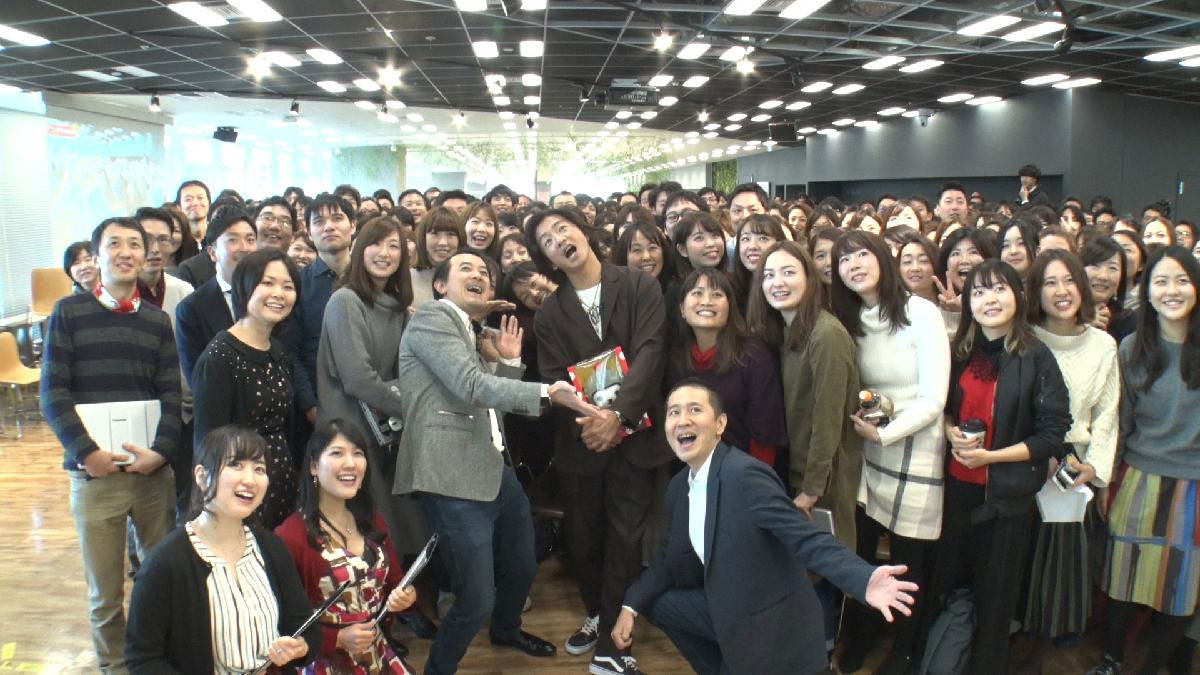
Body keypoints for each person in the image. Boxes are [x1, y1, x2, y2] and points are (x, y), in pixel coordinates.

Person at [612, 381, 919, 675]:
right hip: (725, 608)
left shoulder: (745, 475)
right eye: (674, 412)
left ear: (720, 424)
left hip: (776, 632)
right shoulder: (679, 488)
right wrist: (630, 606)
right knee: (655, 601)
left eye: (695, 410)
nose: (682, 420)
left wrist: (863, 579)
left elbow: (807, 538)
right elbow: (666, 559)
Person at [392, 250, 592, 675]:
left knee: (522, 566)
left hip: (496, 471)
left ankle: (506, 629)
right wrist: (546, 392)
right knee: (476, 597)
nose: (479, 274)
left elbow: (493, 402)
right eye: (466, 268)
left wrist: (510, 361)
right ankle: (439, 668)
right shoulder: (434, 318)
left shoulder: (471, 331)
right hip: (451, 477)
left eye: (485, 271)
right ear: (441, 286)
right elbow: (470, 386)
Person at [528, 208, 671, 675]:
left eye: (561, 228)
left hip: (636, 438)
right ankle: (599, 613)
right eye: (547, 240)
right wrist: (596, 419)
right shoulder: (549, 313)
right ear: (548, 260)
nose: (558, 239)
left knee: (625, 540)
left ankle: (613, 644)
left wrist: (619, 414)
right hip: (583, 441)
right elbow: (554, 378)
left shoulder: (637, 285)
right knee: (585, 540)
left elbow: (651, 352)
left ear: (584, 231)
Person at [41, 216, 181, 673]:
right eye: (114, 244)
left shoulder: (157, 320)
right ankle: (115, 667)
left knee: (157, 583)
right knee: (105, 594)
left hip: (151, 476)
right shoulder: (68, 313)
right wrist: (88, 453)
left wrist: (160, 451)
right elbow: (53, 394)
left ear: (146, 256)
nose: (126, 252)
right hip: (95, 476)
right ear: (95, 256)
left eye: (135, 244)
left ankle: (151, 660)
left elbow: (171, 395)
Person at [933, 259, 1070, 675]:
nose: (989, 299)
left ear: (1018, 296)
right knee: (949, 585)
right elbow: (942, 408)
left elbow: (1053, 434)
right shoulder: (961, 350)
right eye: (978, 292)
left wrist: (992, 457)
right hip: (957, 490)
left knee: (996, 599)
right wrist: (951, 429)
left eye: (999, 290)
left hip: (1007, 499)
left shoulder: (1036, 355)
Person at [829, 231, 950, 674]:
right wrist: (872, 431)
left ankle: (905, 649)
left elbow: (934, 398)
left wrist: (886, 434)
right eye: (844, 260)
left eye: (863, 254)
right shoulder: (850, 319)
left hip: (915, 446)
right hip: (868, 447)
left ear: (883, 257)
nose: (855, 264)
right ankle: (860, 634)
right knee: (861, 552)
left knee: (907, 559)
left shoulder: (921, 312)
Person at [126, 426, 320, 673]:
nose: (250, 479)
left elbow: (306, 626)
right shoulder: (165, 563)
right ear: (202, 476)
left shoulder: (272, 547)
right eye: (236, 465)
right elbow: (142, 659)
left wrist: (300, 646)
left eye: (259, 469)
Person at [1088, 246, 1200, 675]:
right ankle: (1113, 660)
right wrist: (1107, 481)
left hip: (1193, 487)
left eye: (1182, 280)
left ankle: (1154, 666)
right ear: (1146, 292)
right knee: (1123, 579)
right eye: (1161, 281)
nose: (1172, 290)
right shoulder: (1131, 348)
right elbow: (1120, 422)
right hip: (1138, 478)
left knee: (1181, 586)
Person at [1020, 250, 1119, 668]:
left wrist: (1095, 470)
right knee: (1019, 562)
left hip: (1072, 468)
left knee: (1056, 569)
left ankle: (1043, 648)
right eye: (1049, 282)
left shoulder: (1103, 344)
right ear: (1035, 292)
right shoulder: (1023, 337)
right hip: (1024, 458)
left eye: (1068, 281)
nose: (1061, 292)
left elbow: (1108, 416)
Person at [276, 420, 418, 674]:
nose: (351, 463)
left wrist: (405, 596)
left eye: (358, 453)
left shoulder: (372, 520)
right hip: (323, 661)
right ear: (313, 466)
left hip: (375, 653)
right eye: (337, 453)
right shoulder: (291, 536)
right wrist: (338, 639)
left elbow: (397, 582)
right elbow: (284, 621)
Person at [747, 240, 861, 549]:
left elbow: (829, 419)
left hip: (824, 480)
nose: (778, 283)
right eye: (769, 275)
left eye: (788, 272)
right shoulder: (784, 330)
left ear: (809, 279)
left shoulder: (826, 334)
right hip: (798, 469)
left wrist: (812, 489)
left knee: (826, 568)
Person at [315, 216, 419, 554]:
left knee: (399, 525)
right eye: (376, 243)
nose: (384, 253)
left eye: (394, 246)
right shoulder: (346, 300)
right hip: (352, 432)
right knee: (367, 528)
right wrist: (412, 406)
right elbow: (357, 378)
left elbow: (409, 369)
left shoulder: (398, 308)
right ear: (360, 248)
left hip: (388, 430)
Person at [192, 248, 301, 529]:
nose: (279, 293)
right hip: (241, 493)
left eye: (287, 286)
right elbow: (209, 442)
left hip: (281, 486)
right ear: (244, 287)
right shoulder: (219, 357)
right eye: (267, 283)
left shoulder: (277, 351)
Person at [665, 268, 787, 473]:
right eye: (697, 293)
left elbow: (765, 433)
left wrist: (755, 480)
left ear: (730, 307)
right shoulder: (676, 360)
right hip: (691, 474)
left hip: (745, 473)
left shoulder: (753, 356)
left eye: (717, 294)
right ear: (682, 310)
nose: (706, 301)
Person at [292, 193, 357, 425]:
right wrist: (309, 406)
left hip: (368, 402)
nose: (328, 227)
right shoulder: (297, 284)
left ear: (353, 226)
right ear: (309, 233)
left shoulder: (372, 280)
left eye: (337, 218)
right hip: (315, 405)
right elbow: (291, 351)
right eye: (319, 222)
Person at [174, 208, 258, 385]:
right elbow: (197, 378)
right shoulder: (191, 309)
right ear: (212, 252)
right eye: (233, 240)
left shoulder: (269, 298)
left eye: (250, 240)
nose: (244, 248)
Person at [134, 207, 194, 312]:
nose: (155, 249)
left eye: (163, 240)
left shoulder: (184, 292)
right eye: (147, 239)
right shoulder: (119, 292)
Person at [1082, 237, 1138, 342]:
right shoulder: (1064, 315)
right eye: (1095, 265)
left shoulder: (1129, 322)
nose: (1103, 276)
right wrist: (1082, 328)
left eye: (1112, 268)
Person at [410, 206, 466, 309]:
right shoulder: (408, 279)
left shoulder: (468, 278)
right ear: (423, 237)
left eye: (451, 234)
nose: (443, 243)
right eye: (435, 234)